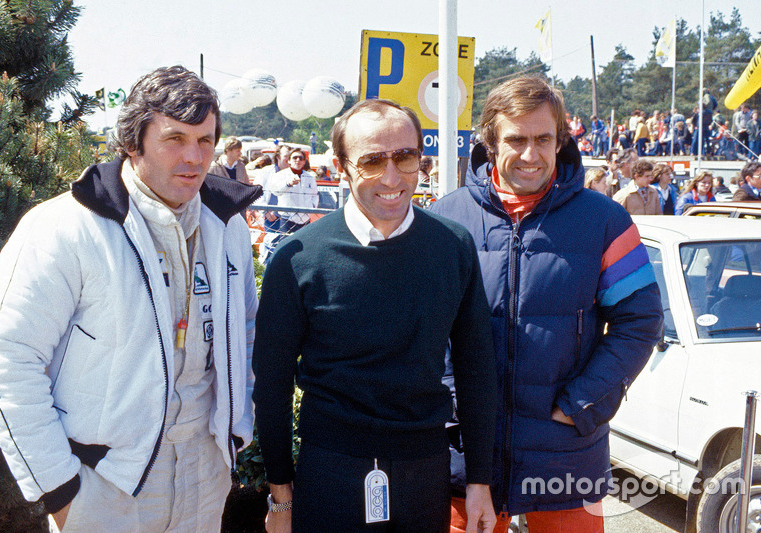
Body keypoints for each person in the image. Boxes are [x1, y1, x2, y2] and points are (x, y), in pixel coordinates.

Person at [0, 66, 262, 532]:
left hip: (205, 476)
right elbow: (4, 358)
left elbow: (247, 332)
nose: (194, 157)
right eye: (175, 138)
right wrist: (59, 490)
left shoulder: (226, 226)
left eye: (206, 141)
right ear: (132, 141)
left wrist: (232, 433)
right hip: (105, 481)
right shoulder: (65, 227)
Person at [253, 99, 498, 533]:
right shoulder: (297, 258)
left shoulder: (453, 247)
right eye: (372, 161)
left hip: (424, 469)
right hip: (330, 470)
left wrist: (480, 479)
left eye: (405, 158)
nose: (391, 177)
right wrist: (281, 497)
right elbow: (272, 384)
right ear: (342, 165)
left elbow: (476, 368)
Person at [432, 75, 662, 533]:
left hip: (567, 452)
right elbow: (424, 327)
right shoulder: (445, 217)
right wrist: (455, 406)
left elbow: (641, 321)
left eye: (543, 139)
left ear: (560, 141)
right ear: (490, 142)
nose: (530, 155)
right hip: (467, 452)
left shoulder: (605, 220)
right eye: (516, 140)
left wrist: (583, 403)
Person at [263, 147, 318, 259]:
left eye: (300, 158)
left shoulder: (310, 178)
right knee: (286, 250)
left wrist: (311, 208)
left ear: (304, 161)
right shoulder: (281, 175)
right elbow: (275, 191)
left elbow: (315, 195)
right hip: (287, 219)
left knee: (304, 250)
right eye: (294, 157)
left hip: (305, 219)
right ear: (289, 160)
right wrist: (288, 184)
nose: (297, 160)